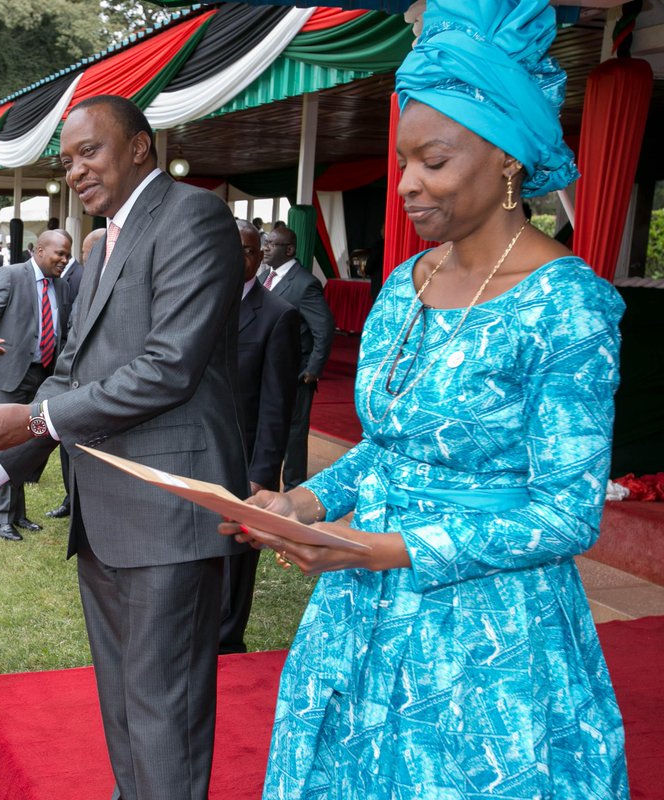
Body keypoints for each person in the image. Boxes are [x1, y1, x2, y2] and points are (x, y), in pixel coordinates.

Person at [222, 2, 630, 796]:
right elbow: (388, 445)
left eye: (432, 161)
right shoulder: (408, 285)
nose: (406, 184)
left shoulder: (567, 304)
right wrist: (302, 503)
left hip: (487, 642)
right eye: (403, 161)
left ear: (508, 156)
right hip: (360, 610)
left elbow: (566, 514)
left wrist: (383, 549)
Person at [0, 95, 246, 799]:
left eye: (90, 152)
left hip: (172, 513)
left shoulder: (192, 217)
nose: (75, 170)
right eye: (66, 159)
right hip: (107, 515)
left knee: (165, 710)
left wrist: (40, 423)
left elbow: (170, 367)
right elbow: (73, 371)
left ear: (141, 147)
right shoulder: (104, 243)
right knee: (124, 708)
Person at [219, 220, 301, 655]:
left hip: (243, 462)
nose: (240, 258)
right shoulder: (199, 303)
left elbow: (276, 408)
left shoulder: (277, 315)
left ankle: (228, 644)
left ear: (260, 256)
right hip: (197, 456)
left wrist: (262, 476)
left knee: (235, 562)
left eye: (249, 251)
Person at [0, 229, 73, 542]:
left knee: (30, 439)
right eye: (60, 254)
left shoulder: (63, 286)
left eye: (68, 255)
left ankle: (18, 514)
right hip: (9, 372)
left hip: (44, 376)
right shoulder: (11, 275)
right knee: (6, 441)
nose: (65, 260)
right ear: (40, 250)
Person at [261, 225, 334, 490]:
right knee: (267, 427)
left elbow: (323, 328)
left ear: (289, 250)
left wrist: (313, 368)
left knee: (293, 434)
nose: (265, 248)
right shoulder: (264, 278)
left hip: (297, 373)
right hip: (268, 370)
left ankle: (293, 489)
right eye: (265, 242)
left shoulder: (305, 284)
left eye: (271, 244)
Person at [46, 227, 100, 521]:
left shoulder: (79, 280)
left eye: (80, 254)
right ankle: (72, 499)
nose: (75, 260)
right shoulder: (77, 278)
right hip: (66, 376)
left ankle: (79, 501)